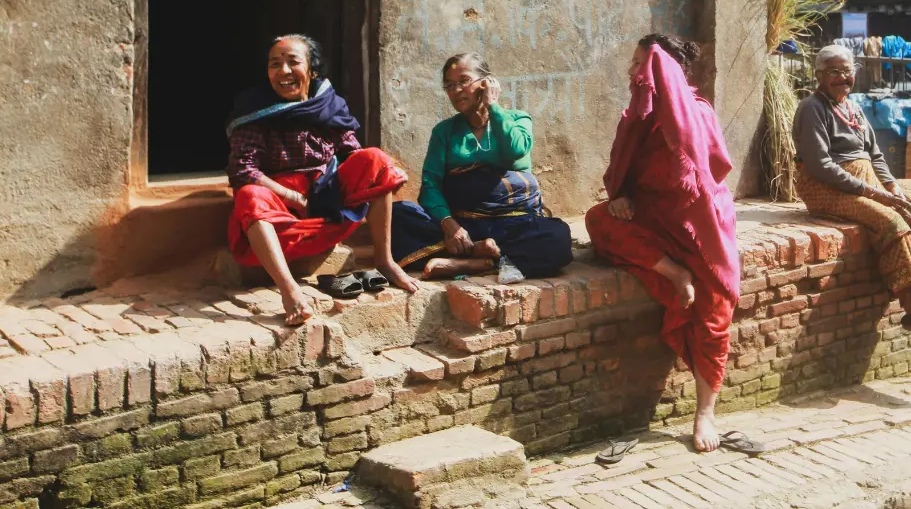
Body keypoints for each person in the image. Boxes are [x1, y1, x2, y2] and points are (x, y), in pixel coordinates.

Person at [586, 35, 740, 452]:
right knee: (599, 220)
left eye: (641, 64)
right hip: (654, 224)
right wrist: (620, 199)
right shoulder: (634, 118)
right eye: (632, 63)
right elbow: (622, 179)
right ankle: (673, 272)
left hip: (697, 227)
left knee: (716, 312)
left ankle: (705, 412)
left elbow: (706, 173)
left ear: (664, 72)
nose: (633, 72)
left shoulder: (697, 114)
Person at [226, 34, 419, 326]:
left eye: (293, 62)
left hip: (326, 201)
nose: (284, 72)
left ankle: (385, 261)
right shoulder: (254, 110)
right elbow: (243, 170)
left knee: (376, 159)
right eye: (275, 64)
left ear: (312, 70)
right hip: (281, 207)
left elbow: (352, 153)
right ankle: (288, 289)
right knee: (249, 195)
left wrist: (383, 173)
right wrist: (291, 197)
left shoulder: (328, 105)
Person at [793, 44, 911, 335]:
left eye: (847, 71)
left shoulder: (854, 108)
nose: (842, 77)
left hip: (867, 182)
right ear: (819, 76)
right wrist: (873, 193)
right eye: (834, 72)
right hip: (826, 187)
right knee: (891, 222)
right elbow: (820, 165)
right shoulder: (812, 108)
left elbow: (875, 156)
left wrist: (891, 187)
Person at [391, 52, 573, 282]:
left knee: (557, 237)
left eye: (464, 81)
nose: (456, 90)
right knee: (399, 215)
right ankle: (479, 251)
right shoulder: (444, 132)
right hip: (464, 226)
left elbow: (514, 150)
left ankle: (474, 262)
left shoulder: (517, 120)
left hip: (515, 223)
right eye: (449, 85)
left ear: (487, 83)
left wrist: (493, 107)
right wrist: (449, 224)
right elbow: (430, 184)